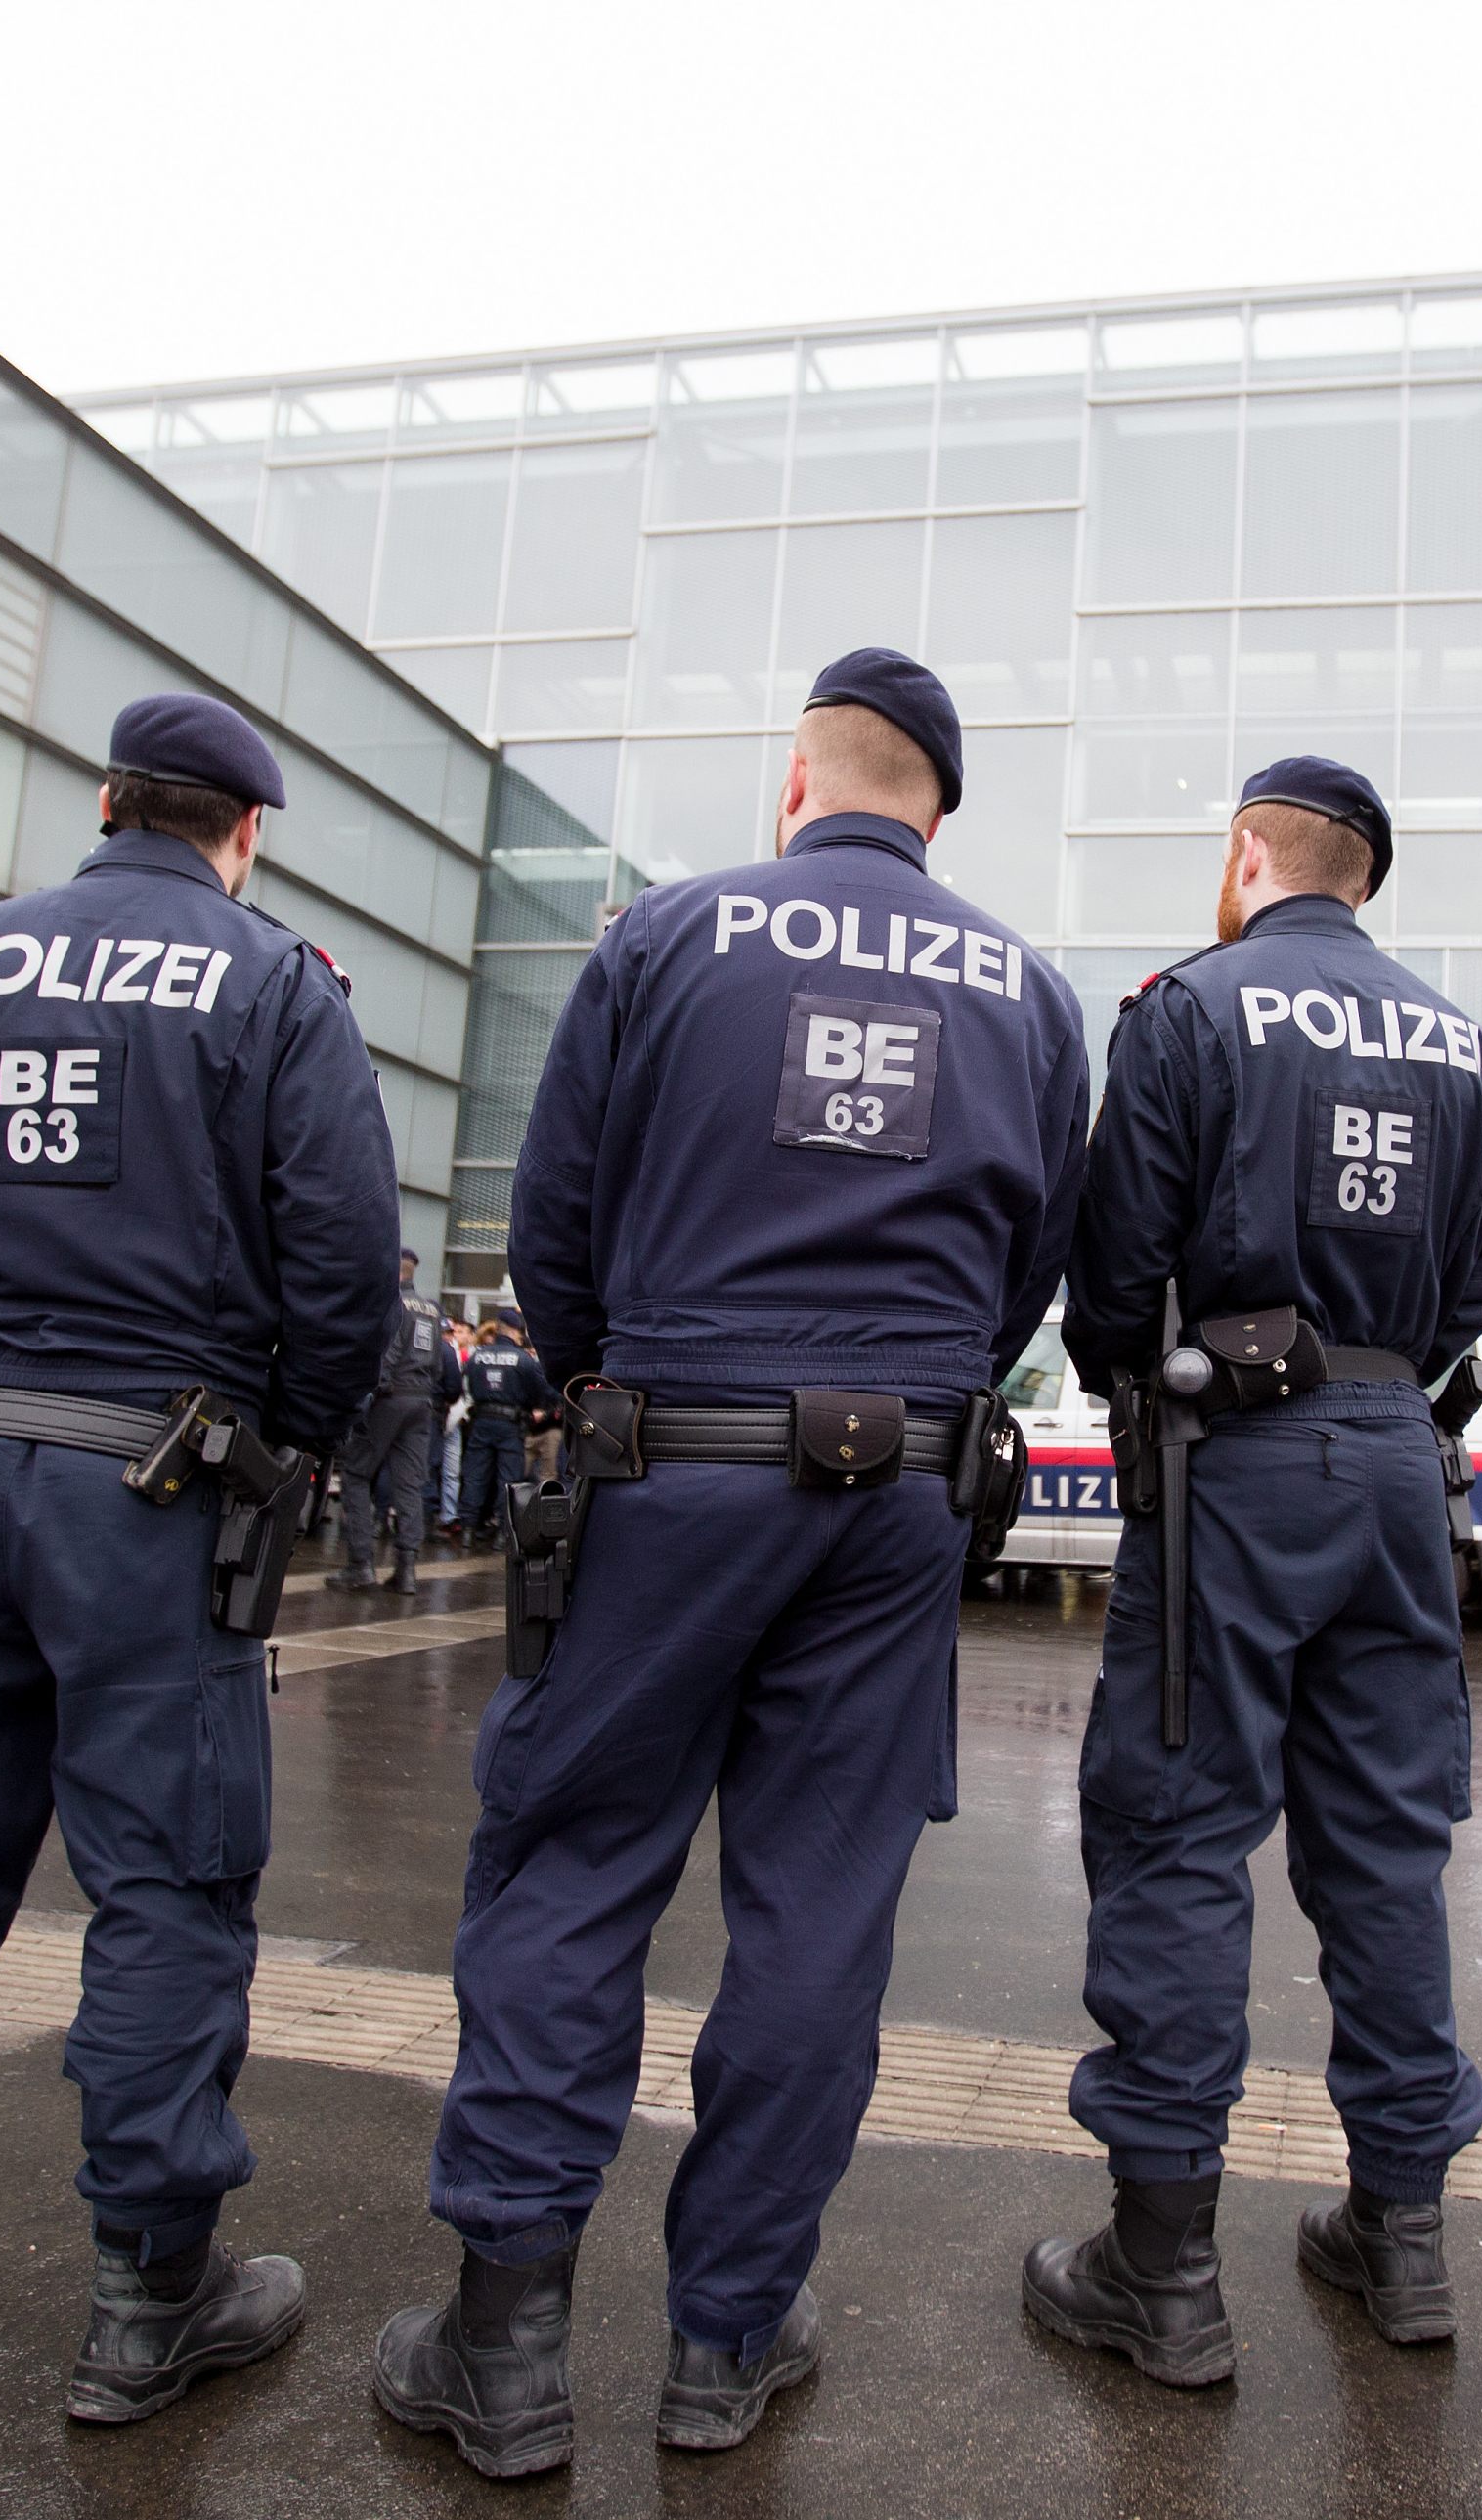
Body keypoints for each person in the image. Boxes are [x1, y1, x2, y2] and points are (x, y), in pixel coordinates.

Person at [373, 650, 1088, 2477]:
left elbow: (554, 1234)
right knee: (817, 1912)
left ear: (800, 781)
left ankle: (507, 2342)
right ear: (938, 804)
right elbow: (1027, 1280)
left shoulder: (667, 934)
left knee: (573, 1868)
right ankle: (728, 2338)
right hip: (903, 1490)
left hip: (667, 1465)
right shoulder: (1027, 988)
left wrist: (636, 1382)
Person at [0, 695, 396, 2423]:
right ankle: (145, 2300)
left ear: (106, 804)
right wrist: (282, 1440)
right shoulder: (271, 982)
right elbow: (342, 1268)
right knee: (166, 1888)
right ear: (243, 832)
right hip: (159, 1491)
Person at [1024, 756, 1482, 2387]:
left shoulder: (1191, 1006)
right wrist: (1376, 1382)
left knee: (1176, 1833)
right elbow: (1473, 1280)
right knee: (1384, 1846)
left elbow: (1115, 1262)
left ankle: (1159, 2272)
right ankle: (1404, 2238)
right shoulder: (1458, 1038)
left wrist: (1137, 1384)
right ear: (1367, 875)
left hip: (1231, 1454)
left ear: (1251, 857)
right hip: (1392, 1463)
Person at [330, 1250, 449, 1593]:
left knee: (355, 1473)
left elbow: (388, 1354)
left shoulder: (393, 1303)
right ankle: (407, 1570)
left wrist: (369, 1394)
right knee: (409, 1484)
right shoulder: (431, 1309)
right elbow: (439, 1365)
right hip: (421, 1400)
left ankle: (360, 1564)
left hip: (390, 1398)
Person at [452, 1311, 554, 1551]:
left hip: (482, 1421)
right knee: (508, 1479)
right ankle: (502, 1532)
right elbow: (544, 1392)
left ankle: (468, 1528)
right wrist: (536, 1408)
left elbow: (463, 1386)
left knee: (475, 1474)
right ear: (515, 1330)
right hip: (511, 1424)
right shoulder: (523, 1360)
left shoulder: (477, 1357)